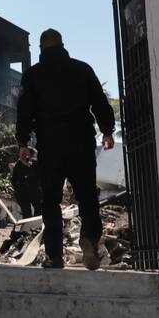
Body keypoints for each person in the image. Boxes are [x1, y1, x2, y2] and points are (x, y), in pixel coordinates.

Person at [15, 29, 115, 270]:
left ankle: (54, 256)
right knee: (87, 195)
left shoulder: (33, 75)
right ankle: (89, 239)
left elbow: (24, 111)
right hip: (81, 141)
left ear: (41, 49)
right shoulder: (82, 69)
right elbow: (100, 102)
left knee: (50, 200)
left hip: (50, 145)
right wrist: (108, 131)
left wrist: (23, 143)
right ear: (62, 45)